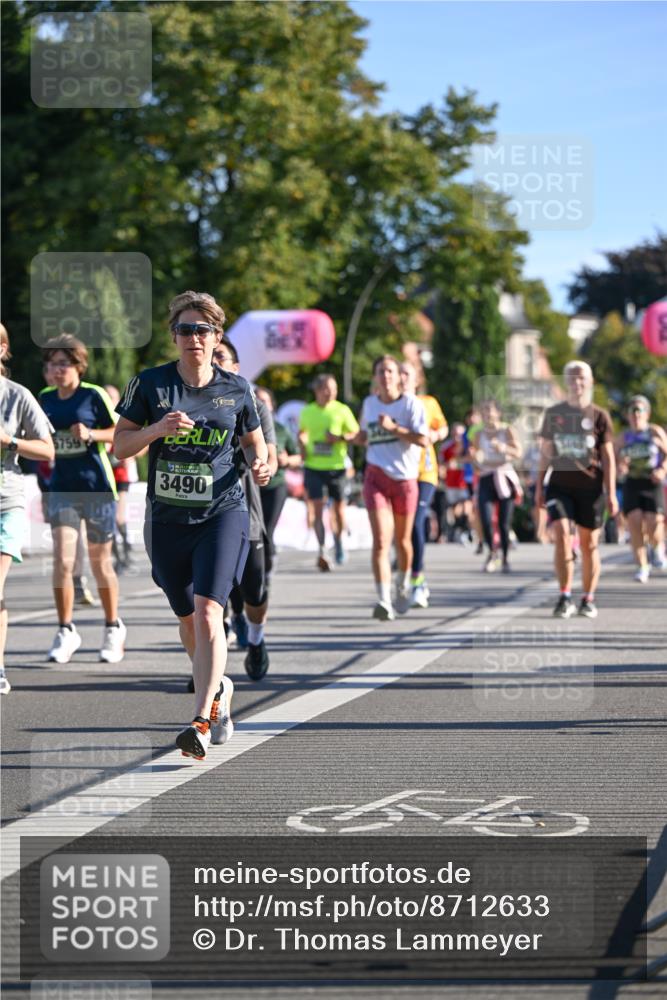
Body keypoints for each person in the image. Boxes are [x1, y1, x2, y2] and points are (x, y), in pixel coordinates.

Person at [114, 291, 269, 759]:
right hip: (167, 520)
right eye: (185, 329)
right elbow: (119, 447)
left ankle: (200, 721)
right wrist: (156, 430)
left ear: (216, 336)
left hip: (223, 512)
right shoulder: (150, 385)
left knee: (209, 612)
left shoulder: (236, 390)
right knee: (187, 618)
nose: (194, 338)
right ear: (174, 336)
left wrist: (263, 463)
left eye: (202, 330)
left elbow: (257, 445)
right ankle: (218, 687)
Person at [39, 335, 126, 663]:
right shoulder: (44, 398)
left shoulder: (93, 395)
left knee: (100, 562)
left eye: (63, 363)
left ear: (78, 365)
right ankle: (65, 629)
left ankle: (112, 627)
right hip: (61, 489)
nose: (56, 370)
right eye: (50, 364)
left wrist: (91, 434)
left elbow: (121, 434)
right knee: (62, 561)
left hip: (97, 489)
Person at [212, 340, 278, 680]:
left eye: (221, 356)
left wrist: (264, 466)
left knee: (254, 590)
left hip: (245, 510)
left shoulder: (253, 403)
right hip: (204, 514)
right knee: (209, 596)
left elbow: (269, 452)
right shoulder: (192, 402)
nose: (215, 361)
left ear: (236, 367)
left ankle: (255, 639)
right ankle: (209, 667)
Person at [535, 361, 618, 619]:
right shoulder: (554, 414)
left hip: (591, 489)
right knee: (560, 534)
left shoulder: (599, 416)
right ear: (566, 382)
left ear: (590, 382)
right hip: (560, 486)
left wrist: (611, 492)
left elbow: (608, 458)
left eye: (582, 378)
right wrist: (539, 486)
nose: (577, 382)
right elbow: (546, 453)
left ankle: (588, 598)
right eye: (572, 377)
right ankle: (564, 595)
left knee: (589, 544)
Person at [0, 324, 55, 694]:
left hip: (6, 501)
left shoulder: (17, 396)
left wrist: (8, 440)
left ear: (3, 349)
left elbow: (47, 449)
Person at [357, 355, 428, 620]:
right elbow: (366, 436)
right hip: (375, 475)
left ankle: (403, 581)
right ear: (375, 377)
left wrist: (394, 428)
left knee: (403, 541)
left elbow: (423, 439)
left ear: (399, 376)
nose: (385, 376)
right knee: (381, 541)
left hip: (405, 480)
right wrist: (351, 437)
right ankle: (383, 599)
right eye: (380, 371)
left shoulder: (412, 405)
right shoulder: (370, 403)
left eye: (390, 371)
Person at [398, 361, 448, 608]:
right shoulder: (391, 405)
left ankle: (418, 580)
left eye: (407, 373)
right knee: (401, 528)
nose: (403, 377)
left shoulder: (428, 402)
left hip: (424, 473)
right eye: (400, 374)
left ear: (416, 379)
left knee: (417, 521)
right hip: (398, 472)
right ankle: (406, 571)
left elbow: (444, 427)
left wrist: (436, 435)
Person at [299, 374, 359, 569]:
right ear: (317, 390)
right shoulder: (307, 411)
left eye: (334, 389)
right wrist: (302, 441)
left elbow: (356, 435)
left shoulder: (342, 410)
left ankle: (339, 542)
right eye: (327, 388)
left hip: (337, 468)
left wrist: (339, 438)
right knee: (317, 508)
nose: (331, 392)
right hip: (313, 466)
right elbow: (303, 433)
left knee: (339, 510)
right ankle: (322, 549)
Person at [615, 394, 667, 582]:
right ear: (628, 415)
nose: (636, 414)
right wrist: (621, 465)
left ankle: (658, 546)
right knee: (634, 523)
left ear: (647, 413)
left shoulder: (654, 432)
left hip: (652, 482)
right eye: (633, 411)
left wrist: (662, 469)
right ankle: (642, 565)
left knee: (653, 523)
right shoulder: (624, 437)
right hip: (632, 483)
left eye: (640, 410)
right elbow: (614, 459)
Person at [254, 385, 301, 574]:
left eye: (264, 401)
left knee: (266, 529)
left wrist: (287, 460)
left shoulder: (281, 429)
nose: (260, 405)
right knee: (254, 531)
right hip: (252, 487)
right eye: (256, 401)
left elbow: (298, 457)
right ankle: (255, 572)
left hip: (275, 486)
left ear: (272, 406)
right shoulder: (243, 427)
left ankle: (267, 572)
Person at [472, 400, 522, 573]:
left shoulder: (506, 430)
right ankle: (492, 553)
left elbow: (518, 452)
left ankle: (506, 556)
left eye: (490, 410)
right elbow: (475, 458)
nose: (487, 414)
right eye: (484, 410)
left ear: (498, 413)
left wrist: (503, 447)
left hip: (504, 477)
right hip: (486, 477)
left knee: (503, 523)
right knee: (485, 519)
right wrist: (476, 460)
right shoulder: (479, 434)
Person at [105, 383, 143, 573]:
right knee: (108, 519)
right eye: (106, 396)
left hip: (122, 475)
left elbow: (142, 446)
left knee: (118, 517)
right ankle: (118, 556)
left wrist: (129, 453)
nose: (109, 400)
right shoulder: (99, 418)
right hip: (104, 475)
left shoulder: (124, 418)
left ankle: (126, 551)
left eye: (112, 396)